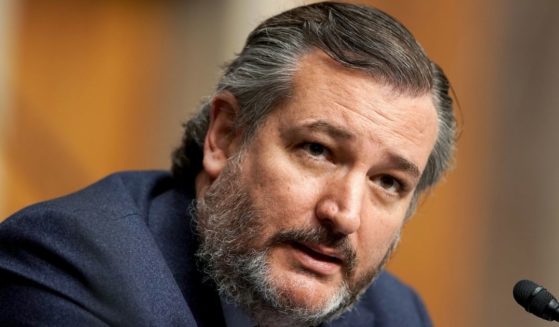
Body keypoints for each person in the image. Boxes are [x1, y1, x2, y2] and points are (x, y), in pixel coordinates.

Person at [0, 2, 456, 326]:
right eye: (317, 150)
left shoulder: (396, 314)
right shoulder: (70, 266)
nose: (344, 213)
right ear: (225, 136)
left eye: (388, 182)